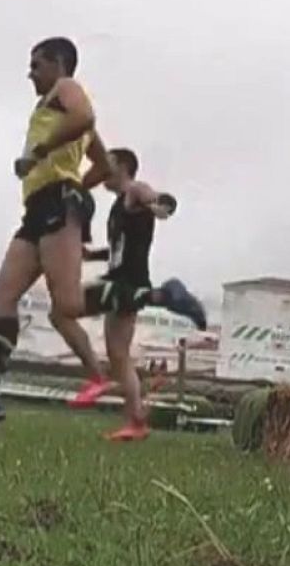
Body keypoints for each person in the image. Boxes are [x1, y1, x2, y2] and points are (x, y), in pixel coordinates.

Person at [0, 36, 116, 433]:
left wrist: (43, 156)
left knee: (66, 306)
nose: (30, 74)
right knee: (3, 297)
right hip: (39, 208)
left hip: (59, 203)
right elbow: (106, 164)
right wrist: (74, 178)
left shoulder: (66, 89)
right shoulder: (53, 109)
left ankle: (137, 296)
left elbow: (85, 117)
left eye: (36, 64)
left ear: (58, 64)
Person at [73, 147, 207, 441]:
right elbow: (121, 248)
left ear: (122, 167)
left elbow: (154, 197)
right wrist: (93, 255)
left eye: (106, 164)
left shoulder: (134, 190)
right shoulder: (118, 206)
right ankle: (136, 422)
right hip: (121, 278)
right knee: (118, 355)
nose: (100, 171)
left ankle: (163, 296)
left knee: (67, 305)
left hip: (127, 282)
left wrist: (162, 205)